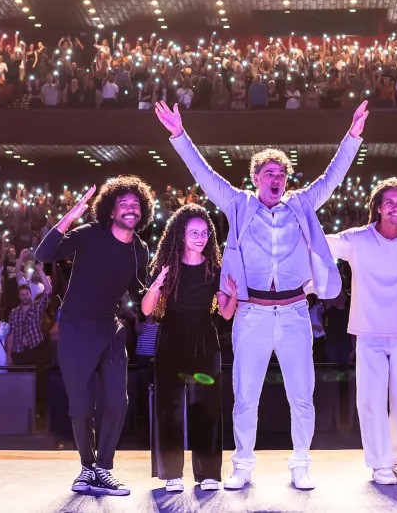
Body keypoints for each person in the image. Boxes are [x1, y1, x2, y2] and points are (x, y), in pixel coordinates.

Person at [155, 99, 367, 491]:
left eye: (281, 174)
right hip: (251, 313)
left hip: (293, 313)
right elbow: (204, 175)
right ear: (255, 178)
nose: (276, 179)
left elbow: (332, 177)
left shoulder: (302, 204)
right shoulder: (238, 203)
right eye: (269, 173)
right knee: (245, 396)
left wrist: (352, 136)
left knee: (302, 396)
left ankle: (301, 464)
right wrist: (179, 135)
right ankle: (243, 467)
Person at [34, 177, 153, 497]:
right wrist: (70, 216)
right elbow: (44, 254)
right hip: (75, 328)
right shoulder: (88, 234)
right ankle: (86, 468)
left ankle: (103, 468)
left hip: (110, 329)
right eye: (124, 203)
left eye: (136, 204)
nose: (131, 208)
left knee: (117, 400)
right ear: (111, 210)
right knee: (81, 406)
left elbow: (139, 295)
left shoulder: (139, 249)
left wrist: (155, 290)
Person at [326, 178, 397, 485]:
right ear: (377, 208)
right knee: (370, 399)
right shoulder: (358, 238)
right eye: (389, 201)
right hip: (368, 332)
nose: (396, 207)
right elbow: (321, 243)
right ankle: (379, 462)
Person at [141, 204, 237, 493]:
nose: (200, 237)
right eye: (194, 232)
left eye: (205, 232)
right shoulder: (166, 267)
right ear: (180, 234)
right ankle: (172, 474)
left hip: (204, 340)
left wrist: (231, 295)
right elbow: (148, 310)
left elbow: (227, 314)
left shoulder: (214, 268)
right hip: (171, 338)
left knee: (206, 407)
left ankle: (208, 474)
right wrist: (156, 285)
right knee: (168, 407)